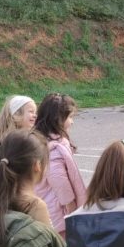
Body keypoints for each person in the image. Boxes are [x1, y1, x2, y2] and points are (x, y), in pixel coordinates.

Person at [34, 93, 87, 236]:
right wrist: (73, 217)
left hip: (47, 211)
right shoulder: (54, 150)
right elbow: (63, 190)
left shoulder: (39, 141)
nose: (72, 122)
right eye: (70, 117)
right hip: (59, 219)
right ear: (58, 119)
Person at [0, 95, 38, 171]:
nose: (35, 115)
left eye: (35, 112)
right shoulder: (6, 144)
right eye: (31, 111)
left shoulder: (32, 138)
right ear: (17, 115)